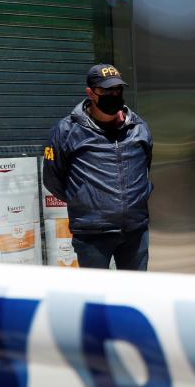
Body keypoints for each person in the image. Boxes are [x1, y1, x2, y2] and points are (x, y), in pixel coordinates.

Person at [43, 63, 153, 270]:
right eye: (106, 90)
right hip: (91, 233)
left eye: (117, 89)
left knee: (136, 292)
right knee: (96, 296)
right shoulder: (67, 131)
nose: (113, 94)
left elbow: (146, 168)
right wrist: (84, 199)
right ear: (90, 93)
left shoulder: (138, 128)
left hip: (135, 231)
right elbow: (52, 179)